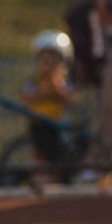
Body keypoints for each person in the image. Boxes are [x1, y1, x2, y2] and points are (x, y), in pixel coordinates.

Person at [21, 30, 76, 181]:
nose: (48, 64)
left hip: (57, 124)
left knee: (60, 155)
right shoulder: (35, 80)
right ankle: (41, 179)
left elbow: (70, 99)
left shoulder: (62, 79)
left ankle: (59, 179)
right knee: (41, 156)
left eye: (52, 59)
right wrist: (41, 92)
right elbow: (25, 98)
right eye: (44, 59)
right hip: (39, 125)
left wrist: (57, 89)